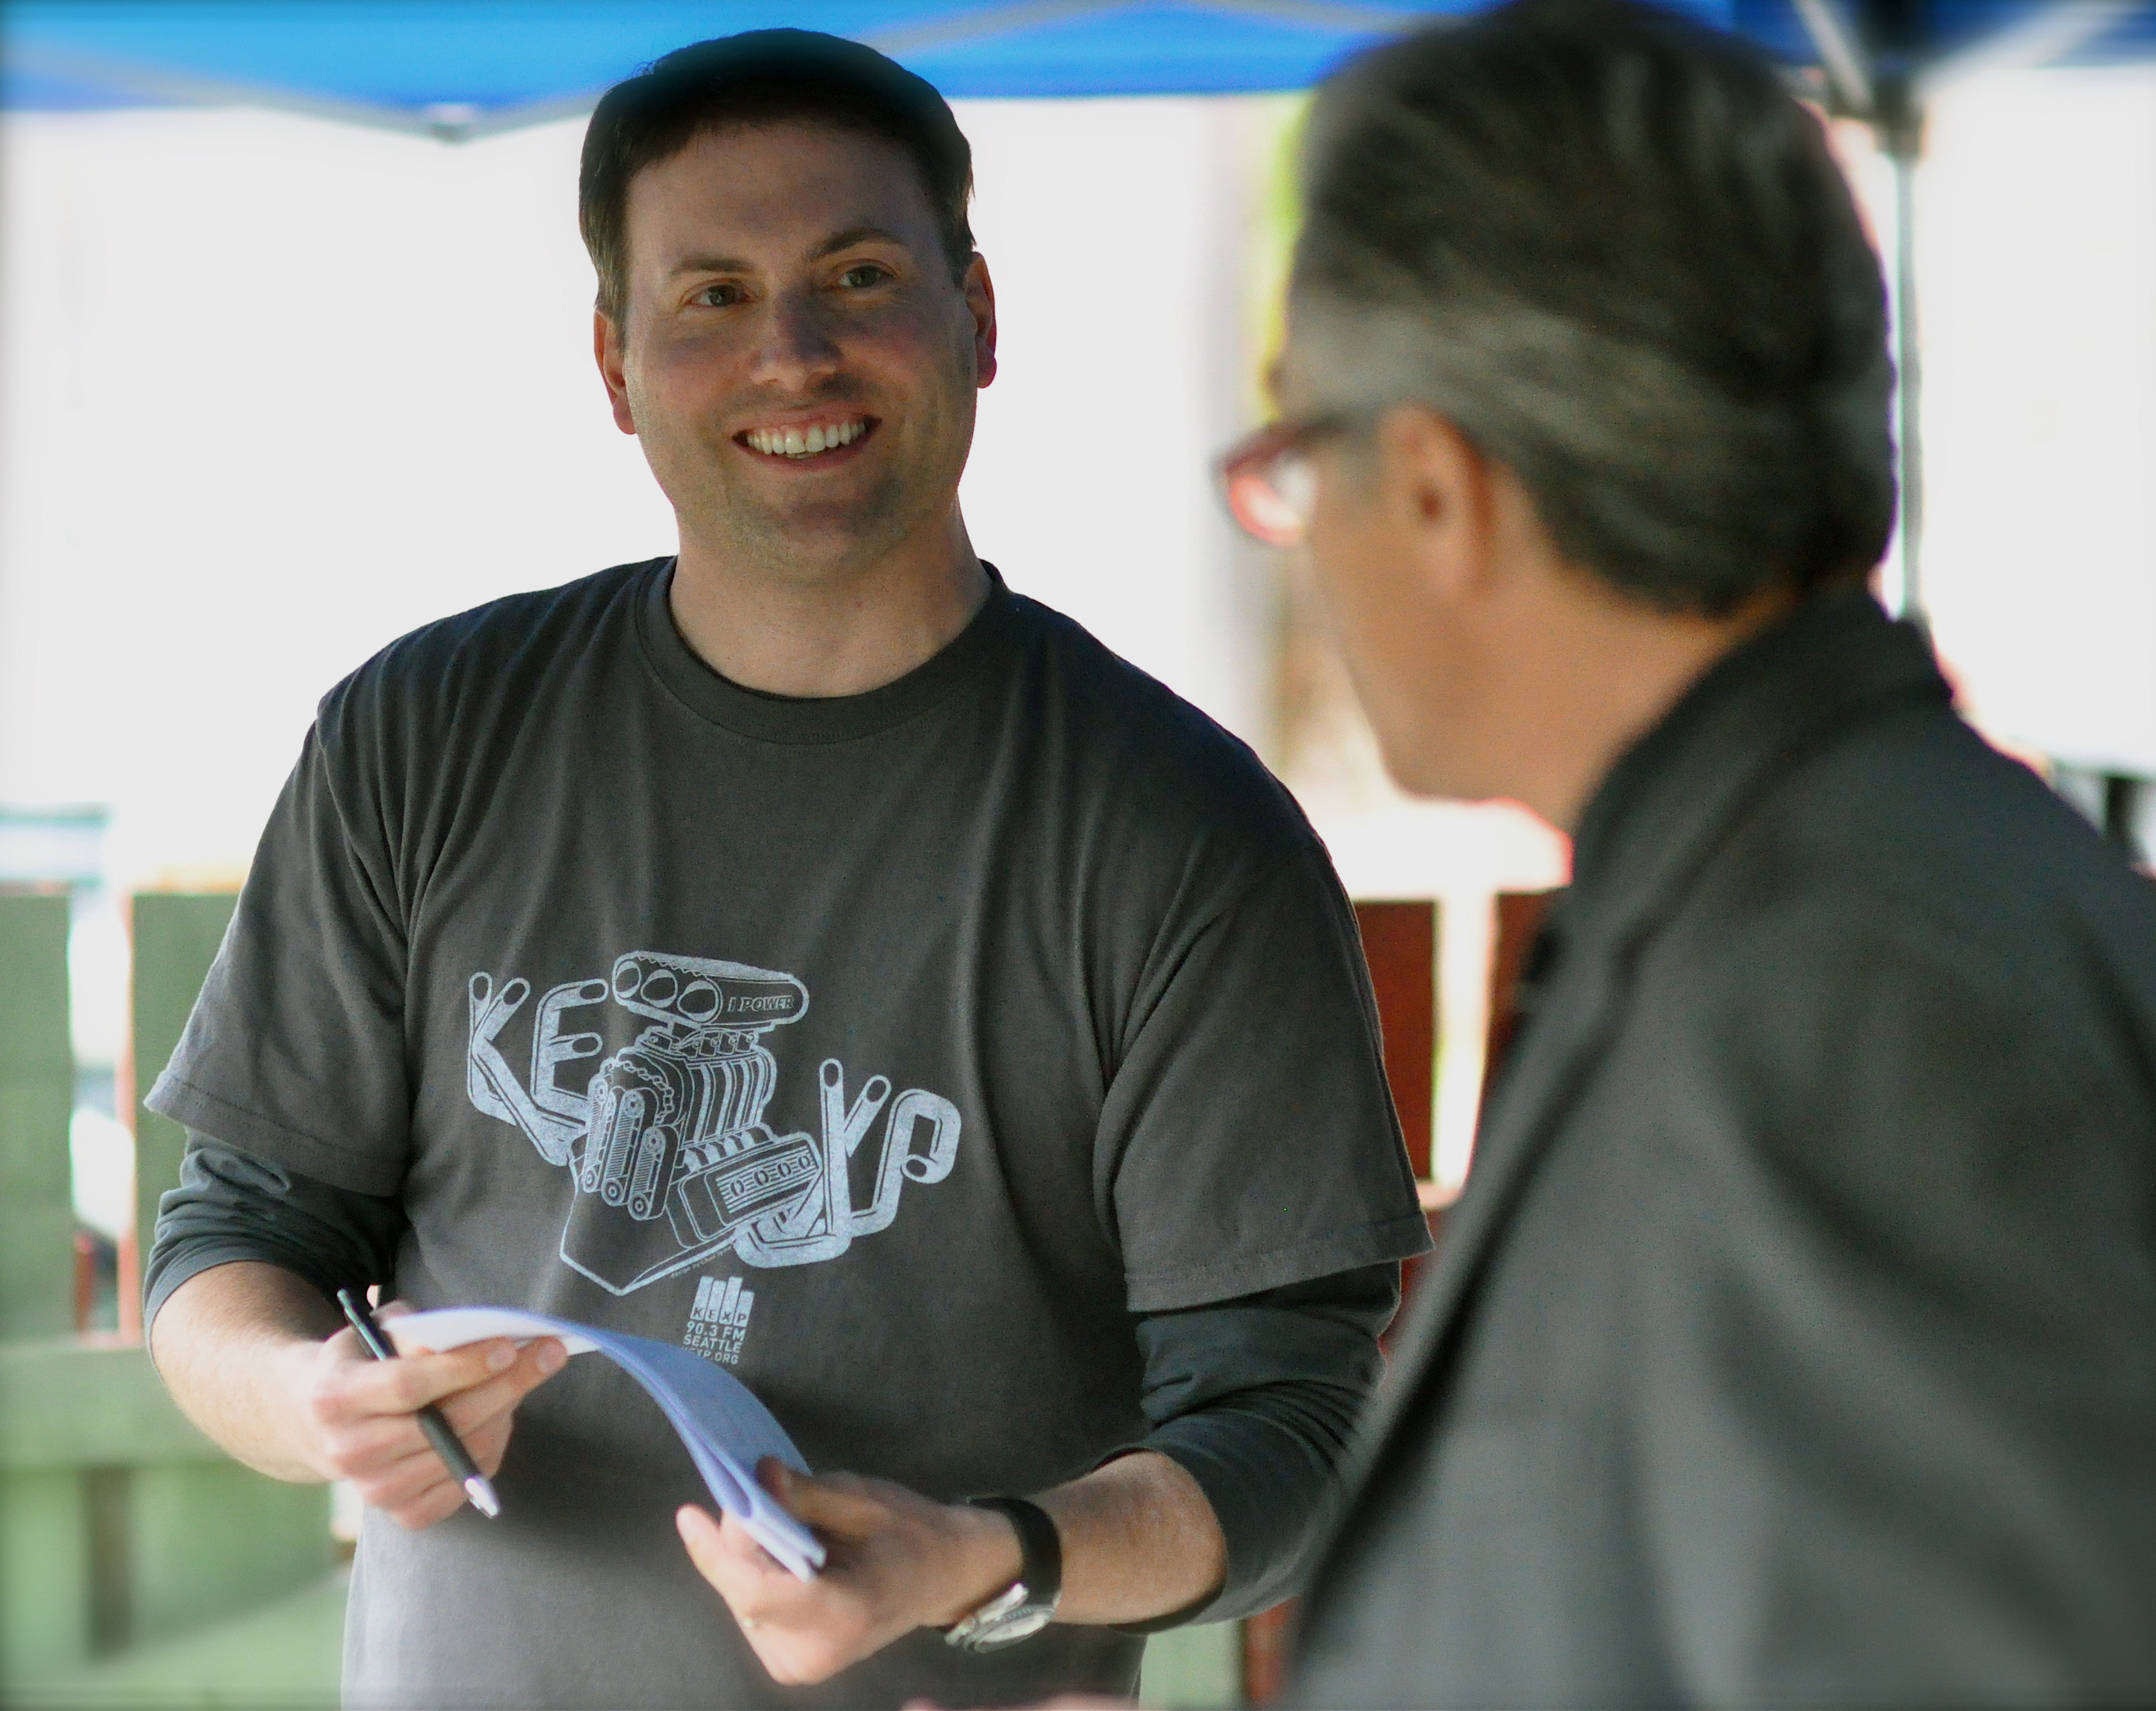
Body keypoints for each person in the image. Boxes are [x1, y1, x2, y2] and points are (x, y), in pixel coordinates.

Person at [140, 30, 1428, 1711]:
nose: (794, 355)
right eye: (714, 295)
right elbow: (233, 1240)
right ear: (615, 361)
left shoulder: (1186, 836)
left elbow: (1290, 1430)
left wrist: (989, 1553)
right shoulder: (423, 737)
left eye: (858, 274)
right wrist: (309, 1394)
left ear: (979, 314)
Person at [1211, 0, 2156, 1703]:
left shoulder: (1858, 1005)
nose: (1309, 541)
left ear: (1438, 487)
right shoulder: (1799, 897)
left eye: (1300, 455)